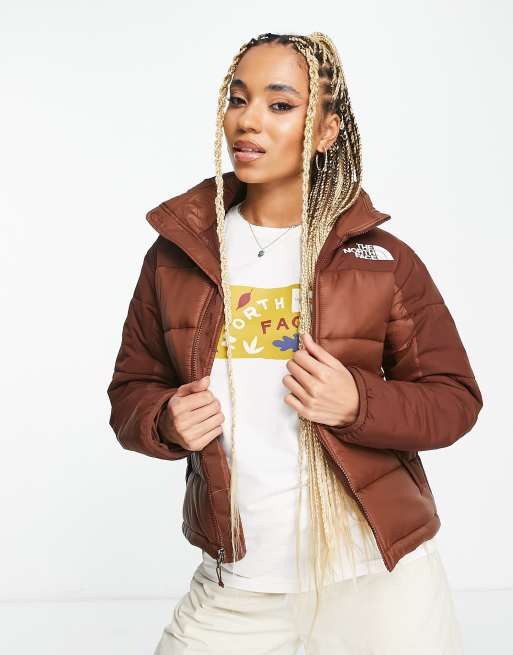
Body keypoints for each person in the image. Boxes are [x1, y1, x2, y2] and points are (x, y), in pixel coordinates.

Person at [107, 32, 482, 654]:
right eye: (238, 99)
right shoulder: (178, 257)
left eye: (280, 104)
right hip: (239, 580)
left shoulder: (382, 261)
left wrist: (358, 403)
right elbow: (130, 391)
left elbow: (455, 400)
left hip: (377, 579)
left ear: (326, 130)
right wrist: (164, 419)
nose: (248, 120)